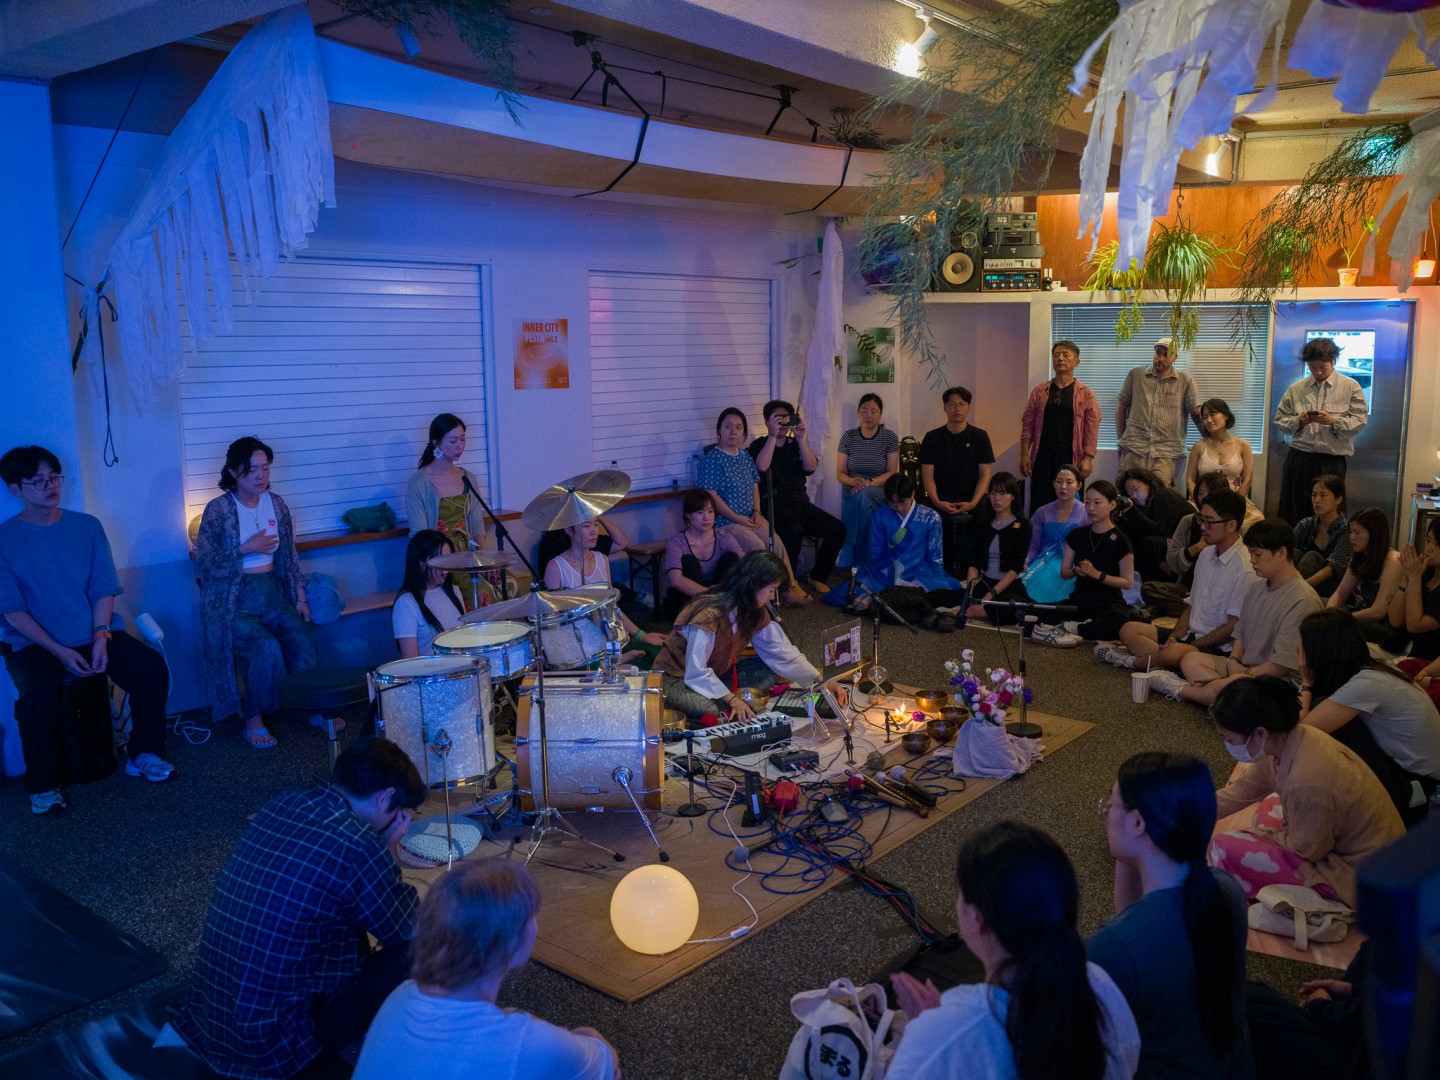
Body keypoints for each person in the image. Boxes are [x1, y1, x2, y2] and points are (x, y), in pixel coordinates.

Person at [173, 739, 426, 1079]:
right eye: (399, 813)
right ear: (384, 798)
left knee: (344, 904)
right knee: (420, 952)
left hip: (213, 1018)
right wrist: (387, 850)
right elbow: (408, 927)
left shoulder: (281, 804)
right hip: (276, 1041)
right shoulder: (358, 845)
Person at [887, 821, 1140, 1080]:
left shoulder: (943, 1037)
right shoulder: (1100, 987)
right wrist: (940, 1026)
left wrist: (932, 1031)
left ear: (977, 918)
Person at [0, 446, 173, 814]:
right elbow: (13, 611)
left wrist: (100, 637)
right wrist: (61, 652)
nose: (50, 486)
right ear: (15, 489)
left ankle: (144, 753)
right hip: (34, 642)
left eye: (54, 478)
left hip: (94, 631)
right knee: (38, 694)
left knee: (150, 669)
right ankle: (43, 785)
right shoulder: (6, 539)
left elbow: (102, 588)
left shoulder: (87, 526)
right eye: (38, 481)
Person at [353, 860, 618, 1080]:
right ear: (511, 941)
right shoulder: (525, 1045)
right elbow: (606, 1063)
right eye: (531, 916)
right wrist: (582, 1036)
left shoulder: (400, 995)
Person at [1090, 752, 1252, 1080]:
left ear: (1139, 823)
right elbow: (1133, 918)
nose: (1105, 813)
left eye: (1111, 804)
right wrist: (1130, 851)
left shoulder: (1108, 949)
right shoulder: (1226, 891)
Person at [1208, 677, 1404, 907]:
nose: (1228, 745)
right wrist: (1182, 812)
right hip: (1335, 845)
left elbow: (1309, 851)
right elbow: (1238, 794)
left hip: (1357, 876)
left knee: (1221, 848)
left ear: (1260, 733)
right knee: (1270, 806)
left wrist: (1265, 837)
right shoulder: (1287, 741)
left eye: (1230, 739)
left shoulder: (1307, 780)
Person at [195, 437, 317, 750]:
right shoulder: (218, 509)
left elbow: (289, 556)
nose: (260, 475)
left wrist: (300, 597)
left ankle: (309, 704)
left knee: (300, 639)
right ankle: (254, 719)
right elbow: (204, 563)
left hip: (272, 595)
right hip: (233, 603)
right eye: (252, 470)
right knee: (266, 647)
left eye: (265, 468)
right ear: (234, 472)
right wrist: (246, 548)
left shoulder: (276, 504)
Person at [1149, 519, 1322, 706]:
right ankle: (1223, 696)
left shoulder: (1302, 599)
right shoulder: (1257, 586)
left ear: (1281, 553)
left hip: (1276, 681)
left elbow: (1281, 665)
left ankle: (1185, 691)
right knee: (1191, 660)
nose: (1252, 560)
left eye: (1257, 554)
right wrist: (1233, 661)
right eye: (1250, 553)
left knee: (1234, 687)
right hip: (1244, 669)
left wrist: (1244, 675)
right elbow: (1240, 632)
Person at [1297, 609, 1440, 825]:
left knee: (1326, 720)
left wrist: (1306, 682)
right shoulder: (1373, 668)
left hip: (1418, 789)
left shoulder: (1367, 684)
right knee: (1328, 711)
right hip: (1419, 777)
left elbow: (1301, 733)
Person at [1101, 487, 1255, 673]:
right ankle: (1164, 663)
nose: (1202, 527)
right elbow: (1191, 604)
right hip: (1190, 636)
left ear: (1231, 525)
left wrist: (1191, 645)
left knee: (1176, 653)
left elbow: (1233, 627)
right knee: (1128, 629)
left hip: (1215, 646)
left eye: (1209, 522)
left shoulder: (1245, 567)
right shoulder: (1206, 554)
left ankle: (1133, 662)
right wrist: (1174, 637)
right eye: (1201, 520)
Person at [654, 551, 821, 720]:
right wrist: (733, 699)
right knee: (708, 709)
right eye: (771, 590)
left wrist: (819, 681)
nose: (772, 597)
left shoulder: (755, 610)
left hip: (716, 673)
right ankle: (724, 703)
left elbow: (780, 651)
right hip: (677, 679)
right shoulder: (708, 613)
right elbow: (696, 672)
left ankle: (723, 699)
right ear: (753, 584)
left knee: (769, 670)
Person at [696, 407, 808, 606]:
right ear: (719, 430)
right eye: (728, 427)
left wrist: (757, 512)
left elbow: (755, 486)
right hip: (726, 523)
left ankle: (787, 590)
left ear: (744, 433)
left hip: (751, 518)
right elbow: (712, 497)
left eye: (738, 428)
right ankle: (760, 598)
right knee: (758, 547)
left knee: (776, 543)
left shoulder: (744, 456)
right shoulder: (712, 459)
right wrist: (738, 518)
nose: (733, 431)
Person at [750, 399, 845, 596]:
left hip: (801, 503)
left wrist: (801, 438)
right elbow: (762, 466)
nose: (783, 423)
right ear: (767, 422)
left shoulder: (796, 444)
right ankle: (789, 584)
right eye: (777, 418)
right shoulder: (759, 444)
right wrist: (773, 436)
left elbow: (811, 467)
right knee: (794, 531)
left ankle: (817, 577)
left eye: (786, 418)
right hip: (773, 505)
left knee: (837, 529)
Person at [852, 473, 969, 632]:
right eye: (893, 504)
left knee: (949, 592)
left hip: (919, 570)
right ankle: (920, 608)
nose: (898, 508)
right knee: (852, 590)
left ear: (912, 494)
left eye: (902, 503)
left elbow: (935, 556)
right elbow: (876, 551)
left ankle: (915, 604)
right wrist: (884, 569)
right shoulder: (881, 514)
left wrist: (936, 575)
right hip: (888, 569)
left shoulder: (931, 517)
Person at [1273, 337, 1368, 526]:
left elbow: (1359, 421)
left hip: (1331, 461)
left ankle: (1330, 545)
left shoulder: (1350, 387)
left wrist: (1333, 421)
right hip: (1299, 458)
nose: (1317, 371)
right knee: (1294, 511)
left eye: (1322, 367)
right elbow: (1279, 421)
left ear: (1333, 361)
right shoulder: (1296, 389)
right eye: (1312, 367)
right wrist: (1299, 421)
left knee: (1330, 515)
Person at [543, 518, 665, 663]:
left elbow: (611, 607)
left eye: (596, 525)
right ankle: (611, 664)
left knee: (653, 653)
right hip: (576, 645)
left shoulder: (602, 559)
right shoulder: (556, 567)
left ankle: (614, 661)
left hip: (606, 638)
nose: (593, 531)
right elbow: (552, 622)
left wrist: (641, 635)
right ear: (569, 530)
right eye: (586, 526)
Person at [1038, 480, 1133, 647]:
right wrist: (1076, 571)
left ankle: (1073, 628)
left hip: (1108, 602)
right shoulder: (1077, 535)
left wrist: (1098, 574)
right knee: (1038, 612)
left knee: (1118, 622)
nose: (1090, 508)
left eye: (1097, 503)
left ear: (1112, 505)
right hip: (1080, 600)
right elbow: (1064, 572)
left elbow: (1127, 582)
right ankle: (1080, 627)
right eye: (1087, 502)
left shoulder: (1121, 540)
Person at [1020, 340, 1101, 516]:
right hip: (1042, 458)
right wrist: (1024, 455)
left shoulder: (1085, 393)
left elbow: (1092, 428)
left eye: (1066, 355)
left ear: (1076, 362)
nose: (1060, 358)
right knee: (1039, 503)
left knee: (1070, 506)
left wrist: (1088, 458)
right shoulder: (1040, 391)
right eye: (1056, 355)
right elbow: (1027, 423)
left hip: (1071, 458)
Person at [920, 385, 995, 573]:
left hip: (971, 496)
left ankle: (975, 568)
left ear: (968, 407)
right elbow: (927, 476)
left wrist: (973, 502)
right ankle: (934, 567)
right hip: (940, 496)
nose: (957, 409)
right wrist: (937, 502)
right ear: (945, 408)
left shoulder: (980, 436)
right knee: (923, 514)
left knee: (986, 513)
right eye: (952, 404)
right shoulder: (932, 437)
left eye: (962, 404)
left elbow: (984, 475)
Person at [1115, 337, 1201, 487]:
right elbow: (1121, 406)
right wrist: (1121, 440)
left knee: (1160, 495)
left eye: (1166, 354)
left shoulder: (1185, 380)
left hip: (1165, 452)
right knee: (1128, 493)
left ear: (1175, 357)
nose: (1160, 358)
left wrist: (1211, 439)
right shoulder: (1136, 374)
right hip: (1134, 448)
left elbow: (1196, 412)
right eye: (1158, 353)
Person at [1326, 507, 1406, 653]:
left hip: (1384, 628)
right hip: (1362, 614)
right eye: (1350, 532)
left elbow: (1379, 611)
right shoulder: (1360, 556)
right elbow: (1340, 593)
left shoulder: (1393, 561)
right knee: (1318, 605)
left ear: (1374, 534)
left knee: (1342, 625)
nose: (1351, 537)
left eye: (1357, 533)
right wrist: (1329, 613)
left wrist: (1342, 619)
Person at [960, 472, 1033, 627]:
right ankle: (980, 610)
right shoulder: (983, 523)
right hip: (985, 582)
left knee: (1014, 606)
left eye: (1002, 493)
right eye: (993, 493)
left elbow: (1015, 568)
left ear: (1013, 496)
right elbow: (974, 563)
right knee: (948, 596)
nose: (996, 498)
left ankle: (984, 610)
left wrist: (988, 598)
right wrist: (969, 594)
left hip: (1008, 587)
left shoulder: (1024, 526)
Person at [835, 393, 899, 568]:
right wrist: (853, 482)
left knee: (862, 495)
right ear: (858, 413)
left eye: (873, 411)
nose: (868, 415)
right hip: (853, 489)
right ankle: (865, 562)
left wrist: (868, 483)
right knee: (864, 509)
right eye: (864, 411)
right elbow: (840, 474)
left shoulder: (890, 437)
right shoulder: (848, 437)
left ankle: (848, 553)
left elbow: (892, 472)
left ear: (880, 414)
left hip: (879, 490)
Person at [661, 489, 746, 621]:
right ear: (688, 515)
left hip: (719, 593)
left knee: (731, 558)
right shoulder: (677, 542)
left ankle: (723, 610)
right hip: (690, 598)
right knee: (688, 562)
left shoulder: (724, 537)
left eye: (710, 512)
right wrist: (709, 594)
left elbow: (745, 565)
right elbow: (675, 580)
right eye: (700, 513)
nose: (706, 517)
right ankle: (710, 612)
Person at [1115, 465, 1193, 584]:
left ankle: (1147, 586)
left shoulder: (1164, 495)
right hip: (1168, 541)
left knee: (1149, 544)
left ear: (1148, 483)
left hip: (1185, 542)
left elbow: (1160, 530)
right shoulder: (1143, 506)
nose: (1134, 496)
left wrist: (1132, 512)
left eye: (1136, 489)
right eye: (1130, 494)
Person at [393, 530, 465, 658]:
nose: (445, 569)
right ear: (420, 561)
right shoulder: (406, 603)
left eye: (447, 560)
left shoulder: (454, 591)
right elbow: (410, 660)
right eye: (439, 561)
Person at [1395, 520, 1440, 707]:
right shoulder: (1426, 573)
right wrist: (1407, 578)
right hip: (1403, 648)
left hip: (1427, 660)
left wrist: (1414, 578)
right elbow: (1395, 619)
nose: (1429, 548)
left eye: (1437, 544)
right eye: (1428, 540)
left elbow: (1415, 624)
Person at [1293, 474, 1350, 599]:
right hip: (1298, 582)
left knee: (1312, 557)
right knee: (1291, 552)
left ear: (1338, 499)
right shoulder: (1306, 524)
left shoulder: (1346, 530)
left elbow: (1330, 570)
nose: (1317, 500)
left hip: (1331, 588)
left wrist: (1298, 588)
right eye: (1314, 495)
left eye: (1323, 495)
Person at [1185, 397, 1253, 498]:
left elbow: (1247, 480)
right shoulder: (1198, 446)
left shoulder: (1243, 445)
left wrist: (1235, 502)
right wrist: (1198, 500)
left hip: (1234, 499)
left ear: (1226, 415)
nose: (1208, 420)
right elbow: (1190, 480)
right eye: (1205, 417)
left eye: (1213, 415)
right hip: (1204, 500)